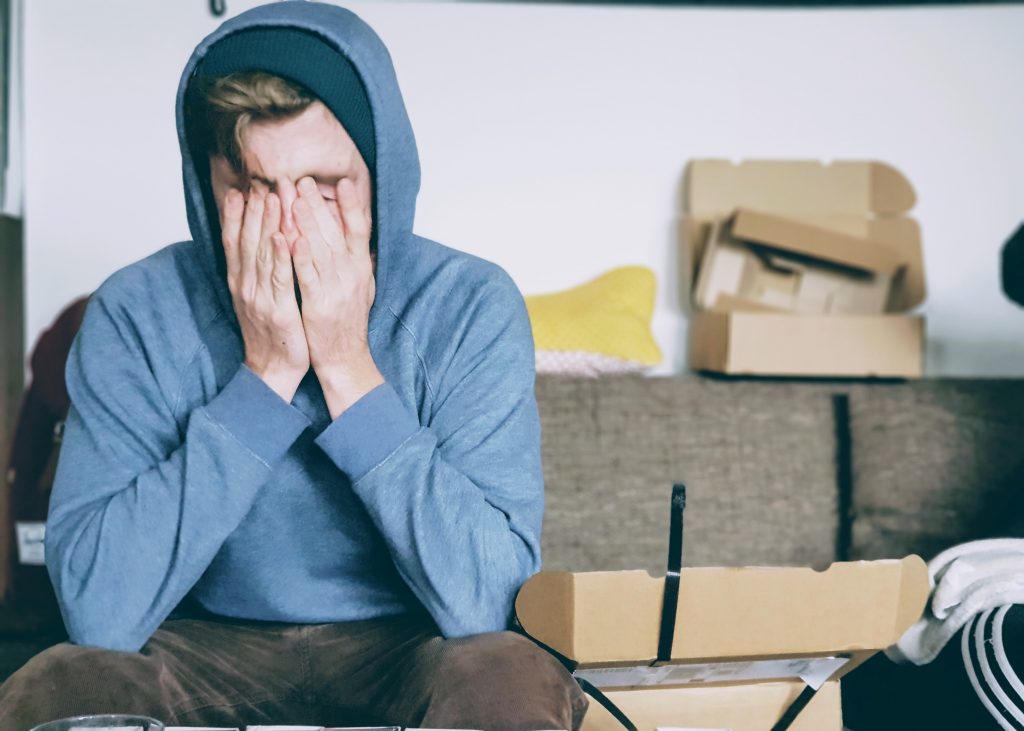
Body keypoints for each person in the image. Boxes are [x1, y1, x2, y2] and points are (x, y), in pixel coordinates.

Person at [0, 2, 588, 729]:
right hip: (200, 642)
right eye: (251, 186)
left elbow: (489, 603)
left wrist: (347, 365)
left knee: (509, 670)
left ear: (381, 172)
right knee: (62, 680)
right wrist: (266, 375)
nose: (287, 226)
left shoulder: (469, 304)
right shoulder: (135, 311)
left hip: (412, 642)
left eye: (325, 184)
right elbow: (99, 613)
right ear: (204, 185)